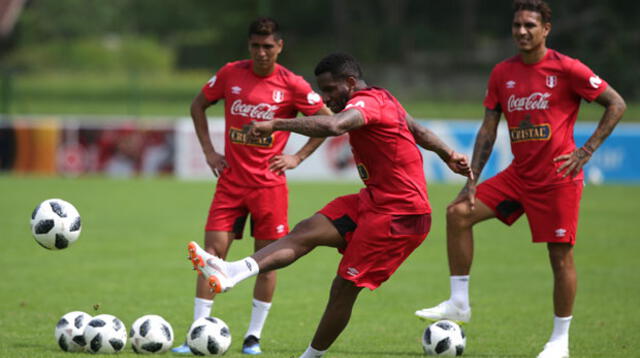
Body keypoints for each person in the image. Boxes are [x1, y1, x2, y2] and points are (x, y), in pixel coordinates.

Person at [186, 52, 473, 358]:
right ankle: (232, 271)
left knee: (343, 289)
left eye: (330, 89)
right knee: (307, 229)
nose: (326, 97)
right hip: (374, 201)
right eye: (322, 90)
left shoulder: (368, 103)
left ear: (350, 83)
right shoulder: (384, 98)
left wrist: (277, 123)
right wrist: (448, 154)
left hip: (401, 215)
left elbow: (336, 126)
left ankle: (310, 356)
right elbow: (419, 131)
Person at [414, 1, 626, 358]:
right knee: (457, 213)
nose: (522, 31)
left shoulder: (567, 68)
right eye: (516, 25)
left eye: (530, 25)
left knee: (560, 258)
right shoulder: (502, 73)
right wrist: (472, 180)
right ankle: (459, 303)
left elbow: (615, 103)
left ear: (546, 29)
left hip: (558, 180)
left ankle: (560, 341)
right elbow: (487, 129)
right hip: (517, 176)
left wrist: (585, 152)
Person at [172, 17, 332, 355]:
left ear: (279, 47)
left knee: (267, 259)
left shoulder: (292, 83)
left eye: (268, 46)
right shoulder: (231, 73)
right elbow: (197, 105)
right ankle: (197, 333)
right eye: (256, 46)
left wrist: (298, 157)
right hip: (230, 182)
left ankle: (253, 337)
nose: (261, 52)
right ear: (249, 45)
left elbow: (327, 120)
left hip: (269, 187)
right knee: (210, 257)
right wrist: (209, 151)